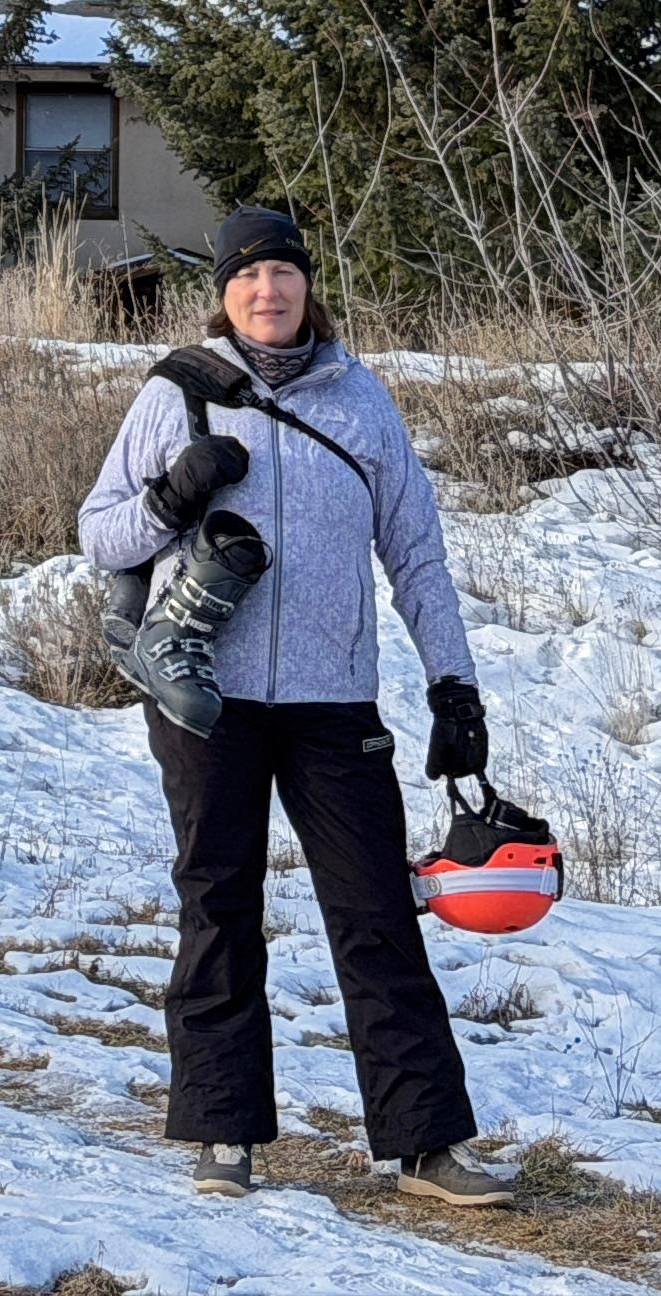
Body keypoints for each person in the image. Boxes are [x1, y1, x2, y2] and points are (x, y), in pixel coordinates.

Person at [76, 205, 510, 1209]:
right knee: (218, 906)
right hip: (205, 697)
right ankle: (222, 1134)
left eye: (282, 273)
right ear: (223, 293)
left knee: (376, 918)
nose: (266, 292)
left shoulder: (363, 401)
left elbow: (417, 556)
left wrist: (454, 685)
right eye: (246, 277)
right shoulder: (177, 394)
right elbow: (102, 536)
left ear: (309, 285)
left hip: (332, 699)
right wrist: (172, 500)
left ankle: (427, 1145)